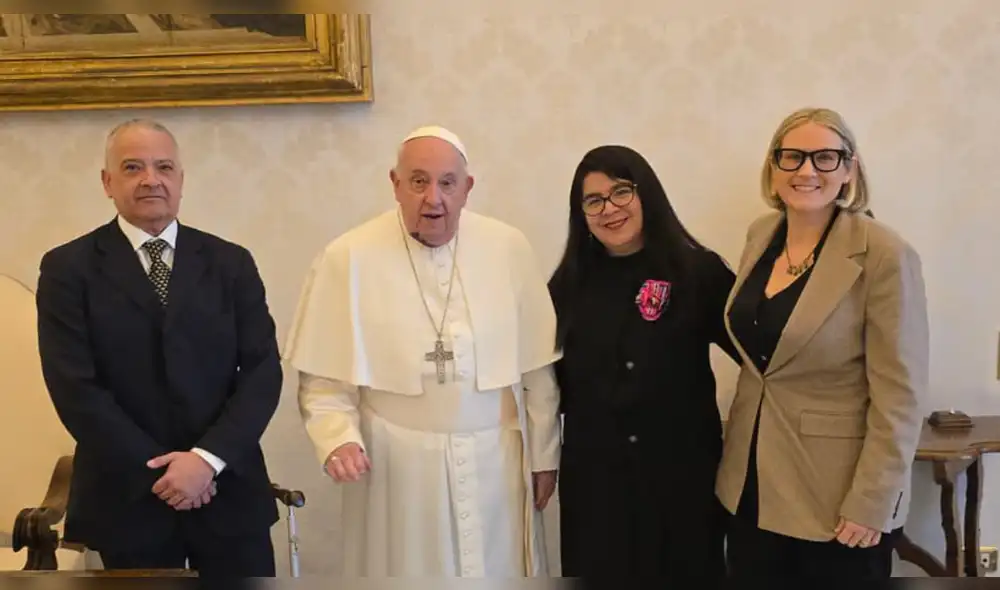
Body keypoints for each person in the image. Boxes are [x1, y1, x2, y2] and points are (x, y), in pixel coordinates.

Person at [285, 125, 561, 577]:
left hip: (497, 463)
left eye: (447, 183)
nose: (433, 198)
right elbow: (323, 382)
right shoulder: (348, 256)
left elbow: (537, 372)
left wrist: (545, 456)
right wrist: (339, 439)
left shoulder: (508, 248)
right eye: (418, 181)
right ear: (394, 184)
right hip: (398, 469)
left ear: (467, 189)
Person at [35, 119, 283, 577]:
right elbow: (75, 388)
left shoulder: (231, 262)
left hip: (228, 490)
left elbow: (263, 372)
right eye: (133, 167)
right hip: (128, 498)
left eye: (164, 166)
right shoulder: (68, 268)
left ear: (181, 180)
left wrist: (205, 461)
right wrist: (163, 474)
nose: (151, 179)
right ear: (108, 182)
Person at [716, 107, 929, 578]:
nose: (807, 170)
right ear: (773, 169)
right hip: (749, 481)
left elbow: (901, 395)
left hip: (834, 497)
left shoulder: (884, 254)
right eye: (791, 157)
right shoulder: (760, 235)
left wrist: (872, 501)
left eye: (825, 157)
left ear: (849, 169)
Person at [547, 145, 740, 579]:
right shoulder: (565, 288)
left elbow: (761, 361)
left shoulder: (699, 273)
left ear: (646, 193)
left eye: (620, 192)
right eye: (593, 200)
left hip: (682, 480)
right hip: (598, 487)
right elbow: (544, 387)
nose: (609, 209)